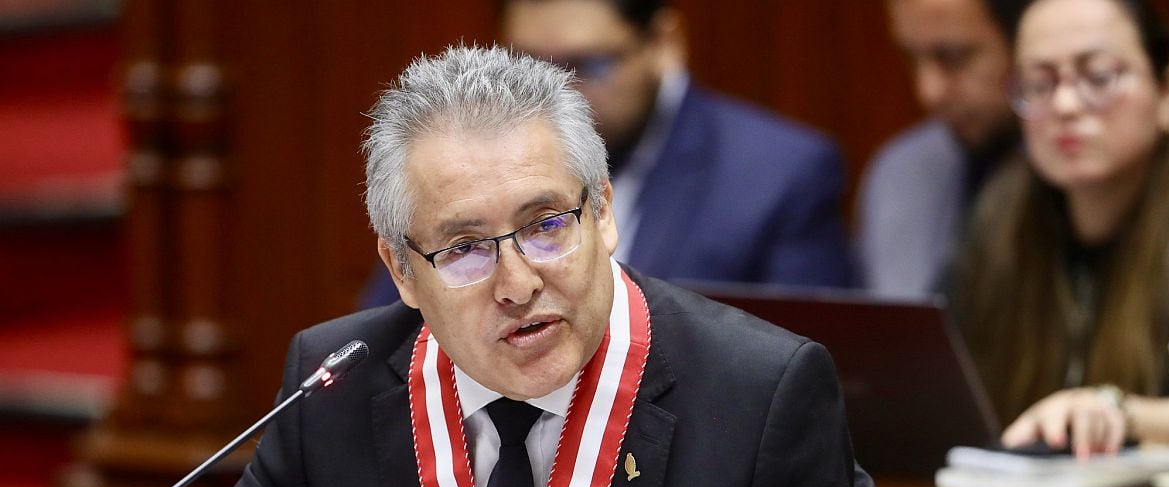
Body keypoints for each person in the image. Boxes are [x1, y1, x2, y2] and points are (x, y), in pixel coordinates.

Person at [129, 44, 899, 487]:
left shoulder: (757, 387)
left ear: (602, 212)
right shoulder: (340, 386)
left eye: (546, 226)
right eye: (463, 248)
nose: (518, 281)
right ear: (401, 270)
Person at [360, 0, 855, 308]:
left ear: (664, 41)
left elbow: (812, 367)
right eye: (529, 63)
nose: (555, 91)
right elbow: (390, 329)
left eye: (587, 64)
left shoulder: (776, 172)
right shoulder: (459, 172)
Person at [949, 0, 1169, 460]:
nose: (1064, 104)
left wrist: (1119, 412)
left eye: (1099, 77)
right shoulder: (1001, 217)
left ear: (1168, 92)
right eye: (1039, 84)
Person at [857, 0, 1025, 297]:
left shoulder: (1085, 177)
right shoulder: (900, 170)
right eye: (911, 59)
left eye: (953, 57)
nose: (928, 91)